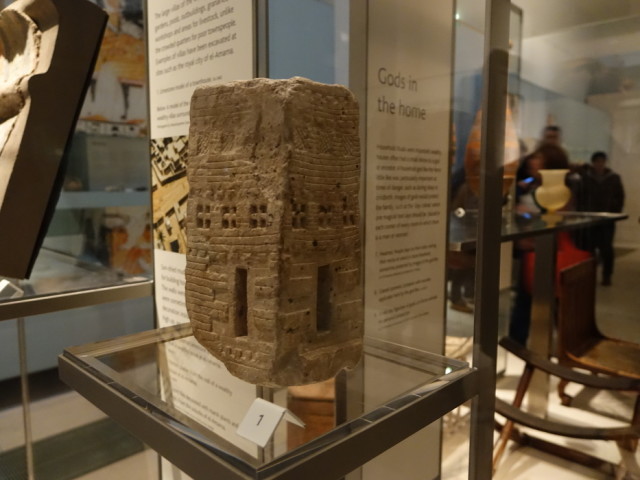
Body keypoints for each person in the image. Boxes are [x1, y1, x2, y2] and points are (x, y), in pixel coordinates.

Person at [575, 151, 625, 285]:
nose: (600, 164)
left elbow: (620, 197)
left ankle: (607, 275)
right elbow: (580, 197)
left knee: (606, 248)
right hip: (589, 218)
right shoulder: (586, 178)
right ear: (593, 163)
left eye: (602, 161)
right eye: (597, 162)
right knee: (589, 248)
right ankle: (589, 275)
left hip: (607, 219)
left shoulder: (613, 178)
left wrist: (614, 212)